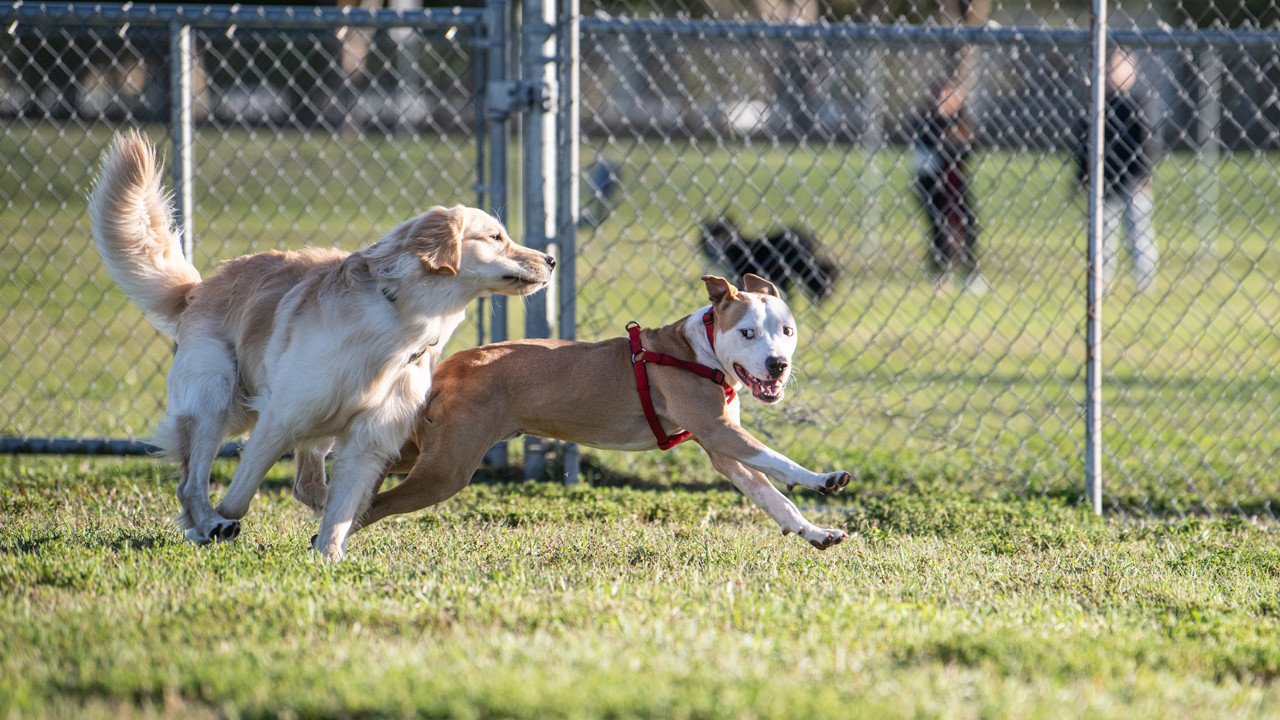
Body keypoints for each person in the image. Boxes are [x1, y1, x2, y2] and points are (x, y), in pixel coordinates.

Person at [1075, 48, 1157, 292]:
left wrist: (1144, 173)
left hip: (1133, 178)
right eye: (1110, 67)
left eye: (1120, 67)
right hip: (1105, 178)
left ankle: (1145, 280)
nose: (1114, 73)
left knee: (1138, 230)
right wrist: (1082, 176)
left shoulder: (1140, 102)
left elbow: (1148, 143)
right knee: (1102, 233)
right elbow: (1084, 143)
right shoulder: (1097, 103)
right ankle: (1101, 279)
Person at [912, 78, 986, 294]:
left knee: (967, 223)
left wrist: (954, 141)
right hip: (931, 182)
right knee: (938, 226)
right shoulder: (928, 120)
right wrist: (948, 140)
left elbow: (968, 149)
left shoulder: (962, 120)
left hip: (955, 182)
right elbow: (932, 149)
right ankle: (940, 274)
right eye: (942, 96)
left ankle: (969, 273)